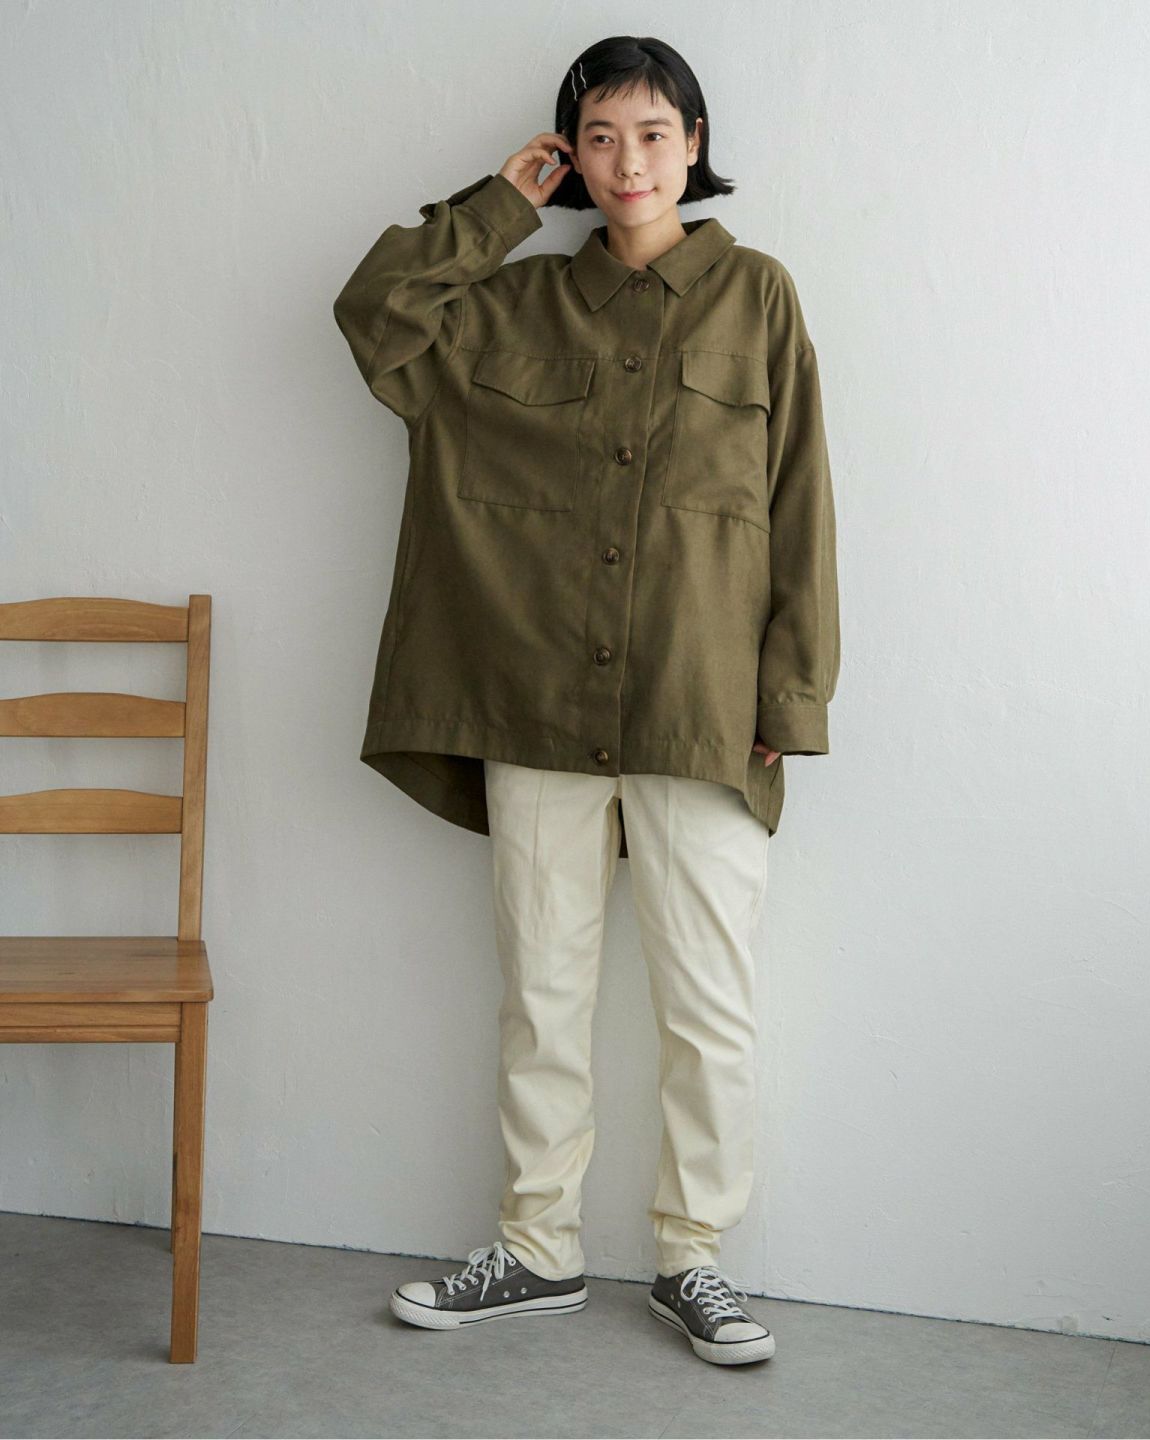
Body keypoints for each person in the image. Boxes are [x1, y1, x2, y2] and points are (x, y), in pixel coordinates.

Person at [333, 35, 840, 1368]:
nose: (628, 162)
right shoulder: (512, 304)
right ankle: (536, 1249)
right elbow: (376, 313)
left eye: (654, 133)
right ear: (569, 151)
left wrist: (791, 693)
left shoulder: (758, 296)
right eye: (599, 136)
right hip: (535, 698)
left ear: (694, 143)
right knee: (542, 993)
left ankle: (695, 1258)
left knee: (709, 1006)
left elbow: (800, 499)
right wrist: (498, 208)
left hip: (700, 702)